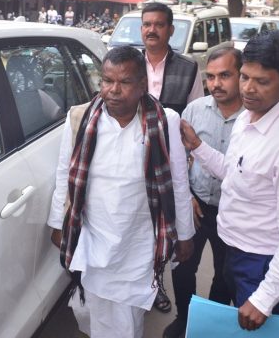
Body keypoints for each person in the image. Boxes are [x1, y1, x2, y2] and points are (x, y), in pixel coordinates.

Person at [180, 30, 279, 331]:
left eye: (262, 81)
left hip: (260, 263)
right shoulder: (248, 117)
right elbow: (235, 174)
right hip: (232, 248)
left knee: (253, 329)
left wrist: (265, 297)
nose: (247, 88)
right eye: (245, 77)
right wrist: (198, 146)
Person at [47, 45, 195, 338]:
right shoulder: (80, 118)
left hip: (138, 241)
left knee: (127, 319)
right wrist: (57, 224)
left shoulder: (165, 120)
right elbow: (65, 174)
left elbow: (178, 182)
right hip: (94, 236)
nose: (113, 90)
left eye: (125, 82)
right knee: (91, 310)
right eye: (107, 80)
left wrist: (185, 234)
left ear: (142, 85)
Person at [163, 48, 243, 338]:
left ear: (242, 76)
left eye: (225, 75)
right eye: (210, 77)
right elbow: (177, 159)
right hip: (195, 205)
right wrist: (187, 197)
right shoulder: (194, 110)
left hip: (232, 211)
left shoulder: (253, 118)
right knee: (182, 266)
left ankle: (210, 325)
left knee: (225, 274)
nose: (216, 84)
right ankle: (184, 319)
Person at [141, 2, 204, 115]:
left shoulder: (188, 68)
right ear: (141, 29)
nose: (152, 30)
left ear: (171, 30)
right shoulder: (131, 65)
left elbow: (196, 112)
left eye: (159, 25)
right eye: (147, 25)